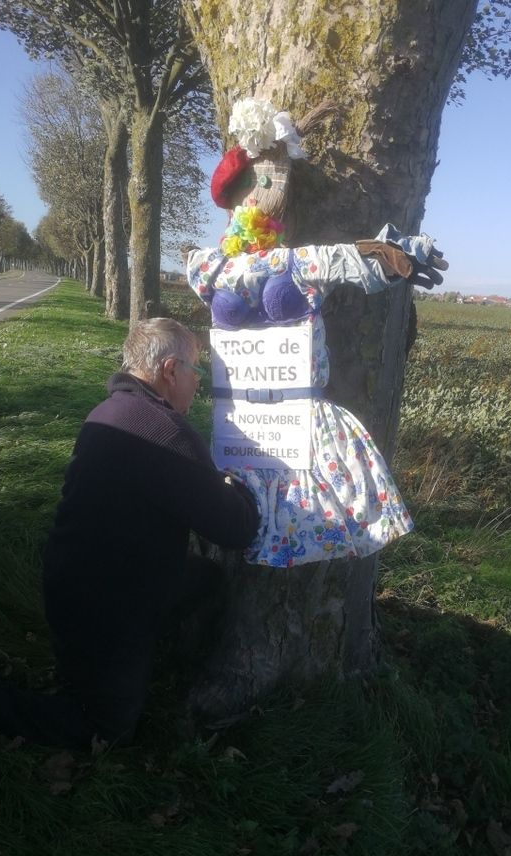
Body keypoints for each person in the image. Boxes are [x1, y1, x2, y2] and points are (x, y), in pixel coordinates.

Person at [0, 318, 260, 748]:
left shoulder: (108, 411)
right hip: (105, 606)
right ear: (169, 370)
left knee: (205, 578)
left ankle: (128, 660)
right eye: (195, 371)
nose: (197, 383)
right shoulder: (167, 432)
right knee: (104, 730)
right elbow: (236, 528)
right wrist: (245, 490)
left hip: (74, 582)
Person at [185, 98, 448, 568]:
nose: (256, 195)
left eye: (263, 185)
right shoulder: (211, 267)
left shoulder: (297, 264)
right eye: (250, 186)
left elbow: (343, 258)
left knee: (303, 509)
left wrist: (396, 254)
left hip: (300, 422)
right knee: (234, 513)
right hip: (242, 424)